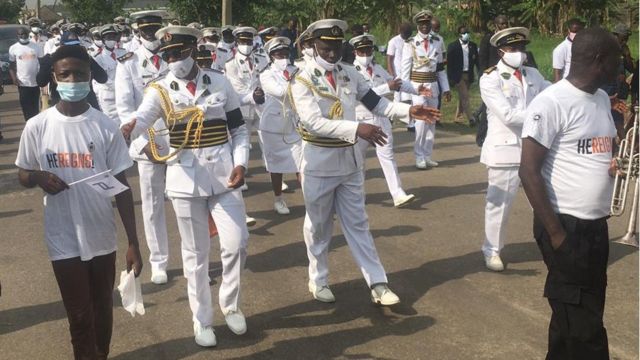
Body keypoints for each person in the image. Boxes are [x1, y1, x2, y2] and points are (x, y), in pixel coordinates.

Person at [289, 19, 440, 305]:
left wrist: (411, 109)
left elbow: (378, 104)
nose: (332, 53)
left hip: (349, 162)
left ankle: (378, 282)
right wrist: (357, 128)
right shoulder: (301, 79)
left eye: (336, 47)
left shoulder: (349, 74)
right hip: (319, 164)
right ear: (313, 46)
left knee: (358, 224)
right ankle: (318, 278)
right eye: (325, 47)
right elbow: (313, 122)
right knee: (318, 228)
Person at [121, 25, 250, 347]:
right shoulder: (160, 89)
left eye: (179, 53)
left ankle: (230, 304)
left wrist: (241, 163)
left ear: (193, 49)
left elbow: (239, 129)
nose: (174, 60)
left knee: (237, 243)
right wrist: (133, 142)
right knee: (195, 255)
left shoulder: (219, 81)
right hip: (184, 180)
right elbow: (139, 124)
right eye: (168, 55)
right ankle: (202, 319)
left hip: (224, 176)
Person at [14, 44, 142, 360]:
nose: (73, 80)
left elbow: (122, 186)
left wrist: (134, 242)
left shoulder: (105, 126)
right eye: (65, 74)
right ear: (53, 78)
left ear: (90, 77)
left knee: (101, 308)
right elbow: (23, 173)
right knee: (79, 314)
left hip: (101, 236)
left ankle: (102, 352)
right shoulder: (38, 126)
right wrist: (39, 178)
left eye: (80, 74)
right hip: (62, 235)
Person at [519, 27, 621, 360]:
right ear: (598, 60)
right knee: (585, 327)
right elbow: (528, 171)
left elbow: (597, 149)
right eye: (616, 58)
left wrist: (612, 162)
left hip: (596, 227)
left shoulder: (602, 98)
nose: (620, 65)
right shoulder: (551, 102)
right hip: (565, 225)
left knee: (573, 318)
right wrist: (557, 234)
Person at [479, 27, 550, 271]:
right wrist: (542, 115)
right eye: (512, 49)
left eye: (520, 48)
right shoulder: (490, 78)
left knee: (543, 201)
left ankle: (551, 243)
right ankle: (492, 250)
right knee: (499, 203)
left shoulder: (533, 75)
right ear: (500, 51)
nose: (517, 53)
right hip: (505, 149)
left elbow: (554, 96)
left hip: (534, 149)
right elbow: (508, 115)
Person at [115, 10, 172, 286]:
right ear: (138, 32)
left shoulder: (174, 55)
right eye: (146, 31)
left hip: (179, 139)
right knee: (152, 205)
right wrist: (144, 142)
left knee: (190, 202)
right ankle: (159, 260)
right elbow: (125, 111)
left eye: (155, 31)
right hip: (148, 142)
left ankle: (193, 256)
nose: (151, 36)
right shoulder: (128, 63)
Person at [351, 34, 425, 208]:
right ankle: (358, 196)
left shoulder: (377, 68)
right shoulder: (350, 71)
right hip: (361, 121)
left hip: (381, 119)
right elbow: (362, 94)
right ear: (355, 52)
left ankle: (398, 193)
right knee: (358, 162)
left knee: (388, 157)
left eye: (368, 50)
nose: (366, 54)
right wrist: (386, 88)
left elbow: (396, 83)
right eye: (362, 51)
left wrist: (415, 89)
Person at [401, 9, 451, 169]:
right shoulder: (410, 43)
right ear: (417, 25)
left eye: (427, 23)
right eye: (422, 24)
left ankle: (427, 154)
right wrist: (407, 93)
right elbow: (404, 70)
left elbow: (441, 68)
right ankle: (419, 156)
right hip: (417, 86)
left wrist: (446, 88)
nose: (425, 27)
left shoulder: (438, 40)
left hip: (433, 85)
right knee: (421, 122)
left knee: (432, 121)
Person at [258, 36, 302, 215]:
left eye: (285, 53)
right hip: (273, 127)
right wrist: (298, 86)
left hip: (294, 125)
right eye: (278, 54)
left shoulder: (296, 69)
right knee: (276, 167)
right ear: (271, 57)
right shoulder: (266, 74)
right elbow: (281, 92)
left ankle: (313, 200)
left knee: (302, 164)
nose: (283, 58)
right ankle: (278, 199)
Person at [37, 30, 108, 110]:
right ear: (61, 46)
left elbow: (103, 78)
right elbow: (41, 82)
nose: (72, 50)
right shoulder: (51, 59)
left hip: (87, 105)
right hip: (61, 106)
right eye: (68, 47)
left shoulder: (87, 59)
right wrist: (50, 63)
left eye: (75, 46)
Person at [225, 26, 268, 159]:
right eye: (243, 42)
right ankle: (241, 178)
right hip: (242, 110)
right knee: (241, 147)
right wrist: (254, 96)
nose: (246, 45)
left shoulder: (262, 60)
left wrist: (262, 94)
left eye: (249, 42)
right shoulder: (230, 64)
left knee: (268, 145)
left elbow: (265, 81)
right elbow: (237, 90)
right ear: (237, 43)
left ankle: (274, 175)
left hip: (261, 108)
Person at [93, 24, 126, 125]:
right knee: (112, 124)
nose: (111, 40)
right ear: (103, 40)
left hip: (124, 94)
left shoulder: (123, 53)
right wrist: (119, 86)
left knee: (126, 122)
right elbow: (102, 79)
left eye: (112, 37)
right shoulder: (98, 58)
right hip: (109, 97)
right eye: (108, 38)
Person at [447, 25, 479, 125]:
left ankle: (458, 116)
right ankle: (471, 118)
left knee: (462, 97)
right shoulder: (453, 46)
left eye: (467, 33)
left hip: (468, 75)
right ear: (459, 35)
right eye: (463, 33)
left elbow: (477, 61)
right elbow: (450, 64)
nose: (466, 35)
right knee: (465, 96)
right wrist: (450, 78)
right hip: (458, 75)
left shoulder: (473, 46)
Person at [9, 26, 42, 121]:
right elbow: (11, 66)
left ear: (28, 34)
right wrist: (14, 78)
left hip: (36, 82)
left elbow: (42, 62)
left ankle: (34, 125)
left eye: (25, 34)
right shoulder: (13, 48)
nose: (23, 36)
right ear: (18, 35)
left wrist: (41, 77)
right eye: (21, 34)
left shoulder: (36, 46)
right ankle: (28, 124)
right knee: (25, 107)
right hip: (22, 83)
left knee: (35, 107)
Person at [386, 23, 414, 131]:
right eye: (405, 33)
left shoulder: (412, 41)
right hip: (398, 74)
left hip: (410, 74)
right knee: (397, 98)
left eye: (408, 33)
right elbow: (389, 58)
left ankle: (410, 124)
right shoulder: (393, 41)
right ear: (400, 31)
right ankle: (391, 118)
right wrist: (391, 73)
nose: (407, 35)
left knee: (410, 99)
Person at [552, 18, 584, 82]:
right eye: (574, 31)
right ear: (568, 30)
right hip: (569, 84)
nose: (577, 34)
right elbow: (557, 74)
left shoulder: (585, 45)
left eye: (579, 31)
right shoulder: (561, 49)